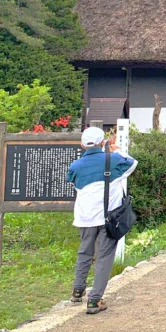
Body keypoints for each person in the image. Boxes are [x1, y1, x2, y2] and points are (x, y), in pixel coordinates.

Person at [67, 127, 137, 315]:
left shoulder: (75, 166)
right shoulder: (113, 160)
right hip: (108, 218)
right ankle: (94, 300)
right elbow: (132, 163)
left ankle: (77, 290)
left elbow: (72, 182)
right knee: (104, 257)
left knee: (85, 251)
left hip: (85, 216)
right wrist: (117, 150)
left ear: (82, 145)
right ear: (103, 142)